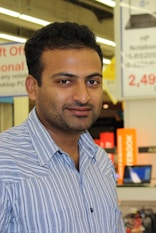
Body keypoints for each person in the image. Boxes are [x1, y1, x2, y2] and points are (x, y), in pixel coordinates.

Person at [0, 22, 125, 232]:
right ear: (33, 87)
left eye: (92, 82)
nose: (83, 96)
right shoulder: (5, 165)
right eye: (65, 82)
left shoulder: (100, 162)